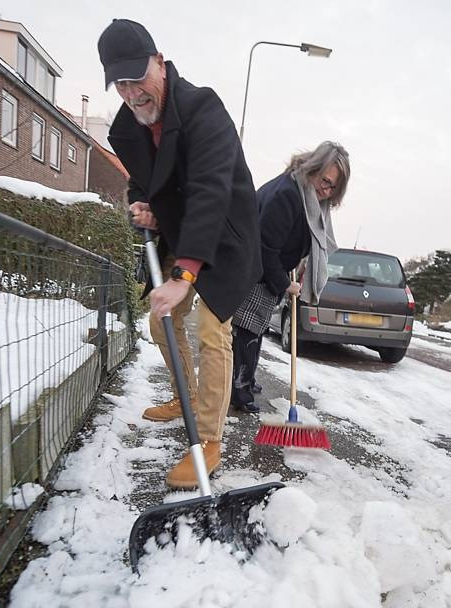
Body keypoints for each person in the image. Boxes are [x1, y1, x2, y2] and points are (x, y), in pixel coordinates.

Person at [98, 19, 261, 489]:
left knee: (212, 330)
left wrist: (184, 274)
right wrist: (143, 204)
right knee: (159, 321)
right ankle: (183, 397)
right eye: (121, 84)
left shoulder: (203, 107)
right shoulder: (127, 126)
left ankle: (208, 438)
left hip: (224, 234)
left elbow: (211, 190)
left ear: (161, 63)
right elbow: (142, 180)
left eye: (139, 77)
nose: (133, 93)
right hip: (180, 231)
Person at [230, 141, 351, 412]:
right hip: (254, 271)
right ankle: (240, 392)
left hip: (266, 269)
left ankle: (246, 379)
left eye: (333, 187)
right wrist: (286, 285)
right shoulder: (287, 194)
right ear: (314, 167)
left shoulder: (304, 195)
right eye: (324, 180)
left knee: (256, 329)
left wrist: (301, 261)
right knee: (247, 331)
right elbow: (265, 248)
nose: (326, 189)